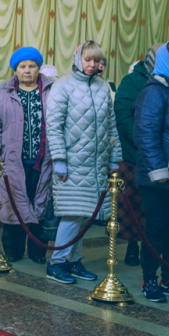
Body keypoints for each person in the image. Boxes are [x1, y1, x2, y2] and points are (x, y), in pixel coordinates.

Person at [46, 40, 122, 284]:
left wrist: (114, 159)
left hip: (97, 164)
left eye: (96, 60)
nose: (92, 65)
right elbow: (54, 127)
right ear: (78, 59)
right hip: (71, 163)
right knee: (71, 215)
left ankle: (73, 259)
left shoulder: (102, 87)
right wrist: (59, 159)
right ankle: (57, 263)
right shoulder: (62, 86)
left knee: (86, 215)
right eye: (87, 60)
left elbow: (111, 125)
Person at [133, 40, 169, 303]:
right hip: (161, 178)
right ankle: (149, 279)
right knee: (156, 231)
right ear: (166, 61)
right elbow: (145, 134)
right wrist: (159, 170)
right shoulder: (155, 91)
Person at [0, 48, 54, 263]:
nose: (27, 70)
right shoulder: (3, 95)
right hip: (13, 161)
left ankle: (37, 251)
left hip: (43, 162)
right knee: (13, 205)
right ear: (15, 69)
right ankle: (13, 251)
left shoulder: (52, 92)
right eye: (22, 66)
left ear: (38, 68)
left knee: (39, 204)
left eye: (32, 66)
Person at [114, 44, 162, 266]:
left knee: (157, 208)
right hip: (136, 154)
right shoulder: (131, 81)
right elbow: (123, 117)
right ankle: (133, 245)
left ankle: (152, 248)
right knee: (134, 206)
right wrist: (145, 142)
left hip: (165, 157)